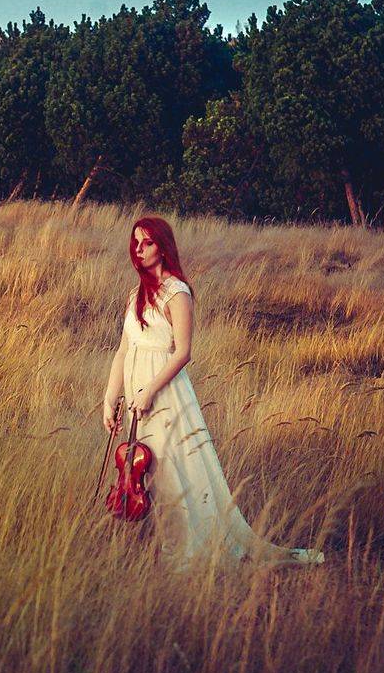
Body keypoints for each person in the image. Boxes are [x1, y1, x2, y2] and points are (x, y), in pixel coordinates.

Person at [102, 215, 325, 570]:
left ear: (163, 247)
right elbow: (123, 349)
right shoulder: (135, 294)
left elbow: (183, 353)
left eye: (147, 243)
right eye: (135, 243)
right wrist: (110, 397)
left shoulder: (177, 292)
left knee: (172, 472)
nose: (139, 250)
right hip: (135, 395)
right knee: (147, 476)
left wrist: (148, 393)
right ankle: (165, 544)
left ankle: (187, 554)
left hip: (163, 393)